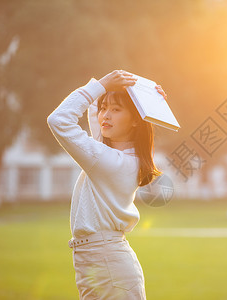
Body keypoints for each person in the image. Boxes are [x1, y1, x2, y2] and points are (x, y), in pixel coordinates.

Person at [47, 70, 166, 299]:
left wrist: (101, 84)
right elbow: (94, 107)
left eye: (116, 109)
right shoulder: (115, 154)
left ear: (135, 120)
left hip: (108, 268)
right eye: (105, 108)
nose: (105, 115)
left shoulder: (110, 160)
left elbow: (58, 120)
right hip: (102, 264)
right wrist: (146, 96)